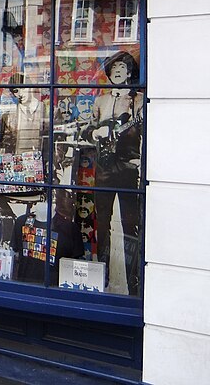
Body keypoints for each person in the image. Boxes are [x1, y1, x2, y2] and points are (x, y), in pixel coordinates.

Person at [81, 51, 143, 295]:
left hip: (129, 167)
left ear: (129, 73)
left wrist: (141, 161)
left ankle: (134, 283)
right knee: (102, 222)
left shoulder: (138, 101)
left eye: (122, 67)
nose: (117, 71)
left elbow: (147, 132)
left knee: (131, 225)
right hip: (104, 169)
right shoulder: (101, 101)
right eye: (113, 68)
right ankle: (101, 276)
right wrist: (95, 133)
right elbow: (86, 129)